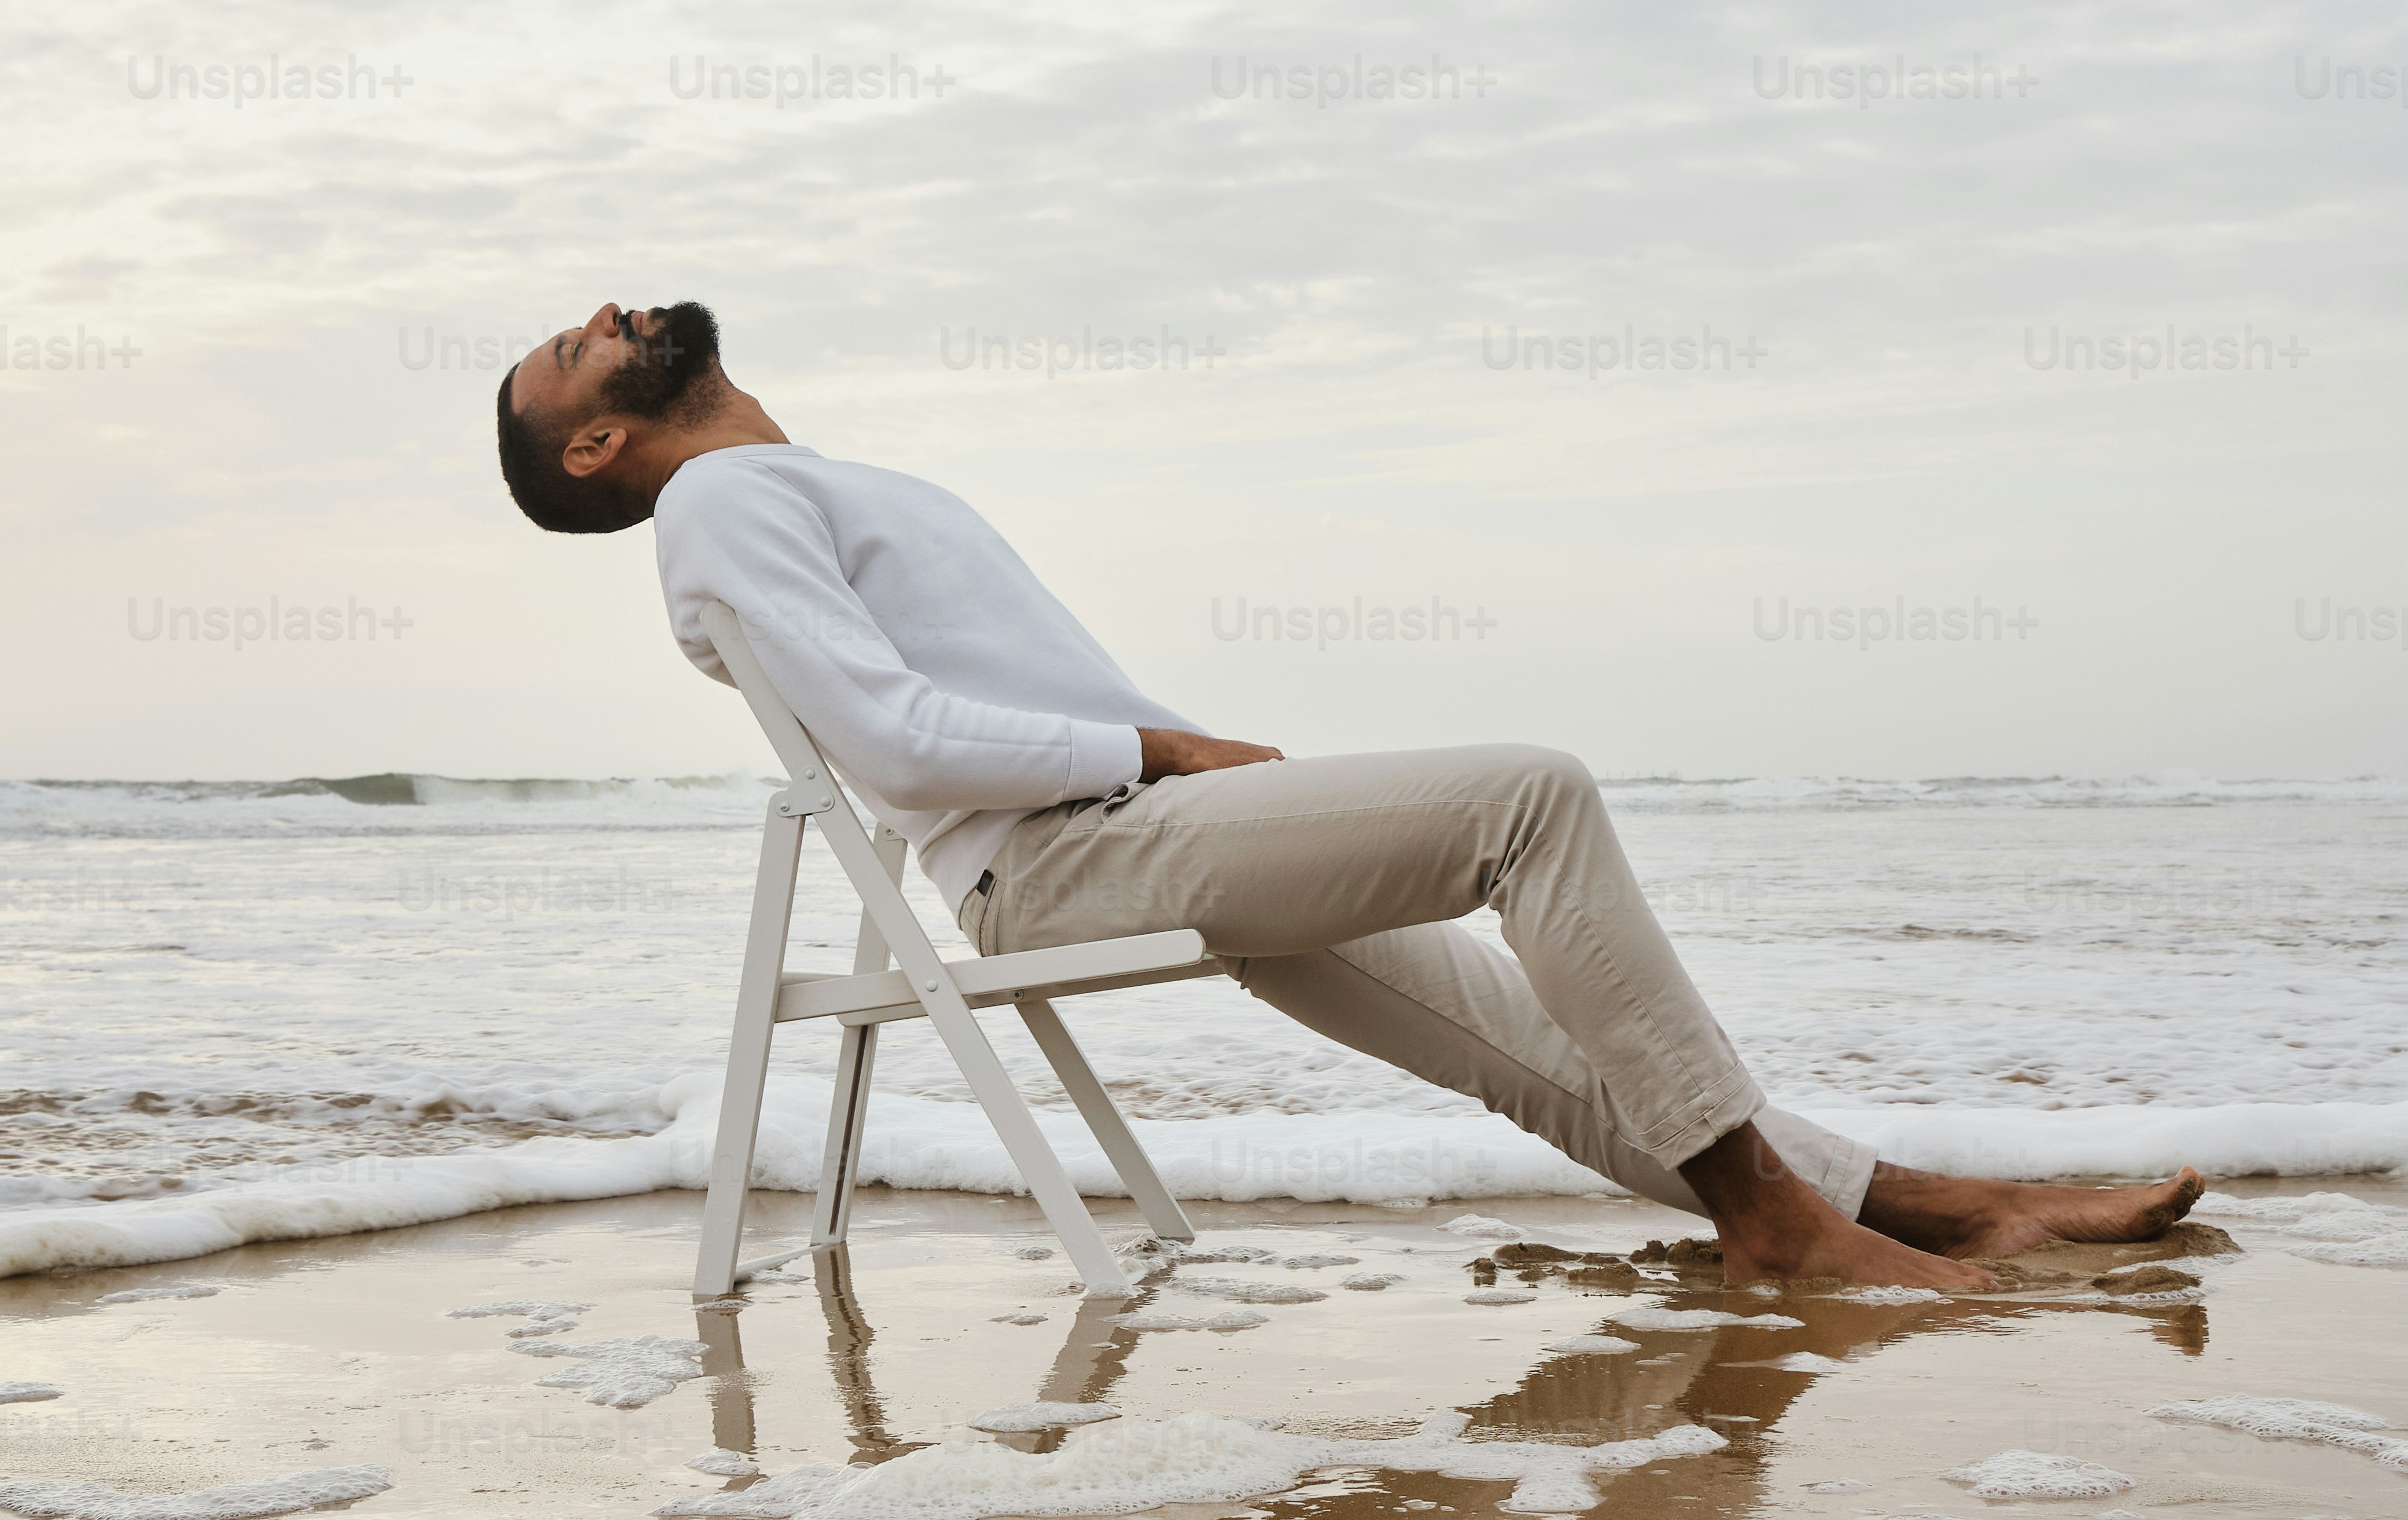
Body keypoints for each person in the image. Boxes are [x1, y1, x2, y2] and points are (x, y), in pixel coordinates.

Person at [497, 298, 2202, 1294]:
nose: (604, 318)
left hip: (1122, 836)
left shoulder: (783, 482)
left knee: (1534, 1052)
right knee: (1532, 797)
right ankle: (1776, 1224)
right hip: (1074, 854)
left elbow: (940, 713)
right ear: (595, 447)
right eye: (571, 354)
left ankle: (1920, 1205)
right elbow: (897, 743)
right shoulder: (714, 508)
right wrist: (1160, 752)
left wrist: (1159, 763)